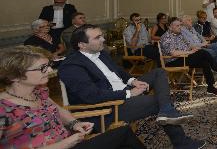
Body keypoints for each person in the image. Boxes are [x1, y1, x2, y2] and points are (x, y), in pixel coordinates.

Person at [58, 24, 204, 149]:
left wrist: (132, 81)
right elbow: (92, 96)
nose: (103, 39)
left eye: (101, 35)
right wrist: (129, 94)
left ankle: (166, 110)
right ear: (82, 45)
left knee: (159, 72)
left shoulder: (100, 53)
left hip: (123, 91)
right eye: (97, 38)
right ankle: (181, 141)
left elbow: (119, 71)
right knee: (157, 101)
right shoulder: (71, 66)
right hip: (109, 107)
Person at [0, 45, 145, 149]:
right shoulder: (4, 108)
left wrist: (74, 123)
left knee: (123, 133)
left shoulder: (39, 92)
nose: (50, 70)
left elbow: (58, 110)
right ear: (14, 76)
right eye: (42, 68)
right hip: (65, 144)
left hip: (70, 142)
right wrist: (65, 144)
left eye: (48, 65)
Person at [160, 18, 217, 96]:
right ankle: (216, 67)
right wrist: (189, 52)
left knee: (204, 62)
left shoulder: (179, 34)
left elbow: (188, 45)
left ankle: (211, 87)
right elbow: (173, 53)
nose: (180, 27)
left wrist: (193, 48)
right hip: (173, 61)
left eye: (180, 25)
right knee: (202, 53)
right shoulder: (166, 37)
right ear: (170, 27)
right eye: (177, 26)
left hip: (184, 58)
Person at [181, 15, 217, 80]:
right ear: (183, 22)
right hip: (196, 48)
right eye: (189, 20)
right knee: (212, 52)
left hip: (203, 45)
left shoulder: (192, 28)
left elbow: (200, 36)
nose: (191, 21)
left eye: (191, 19)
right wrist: (202, 44)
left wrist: (206, 42)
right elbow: (190, 44)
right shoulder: (182, 31)